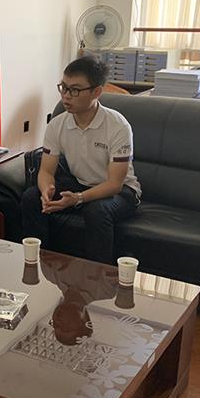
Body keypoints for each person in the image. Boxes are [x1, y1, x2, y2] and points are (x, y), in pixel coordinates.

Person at [21, 56, 141, 264]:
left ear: (96, 92)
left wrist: (78, 198)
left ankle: (98, 275)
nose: (66, 96)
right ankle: (39, 263)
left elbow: (114, 184)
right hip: (80, 184)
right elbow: (46, 171)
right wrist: (46, 190)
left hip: (122, 192)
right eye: (63, 88)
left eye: (75, 90)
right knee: (32, 197)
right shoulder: (57, 124)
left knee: (96, 210)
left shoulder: (117, 126)